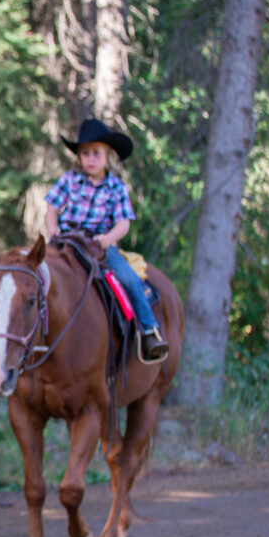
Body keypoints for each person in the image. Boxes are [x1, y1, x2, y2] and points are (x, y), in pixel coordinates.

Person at [45, 117, 170, 362]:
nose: (90, 159)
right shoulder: (69, 180)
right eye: (85, 153)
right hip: (66, 239)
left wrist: (107, 239)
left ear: (108, 156)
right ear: (79, 157)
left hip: (98, 244)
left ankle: (148, 330)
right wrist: (52, 231)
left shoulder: (116, 187)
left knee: (128, 278)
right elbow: (51, 209)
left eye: (96, 153)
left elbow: (124, 223)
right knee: (32, 271)